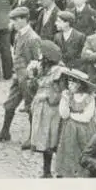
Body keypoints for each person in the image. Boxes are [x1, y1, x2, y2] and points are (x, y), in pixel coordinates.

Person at [0, 6, 41, 148]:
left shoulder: (33, 38)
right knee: (9, 105)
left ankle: (33, 138)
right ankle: (5, 132)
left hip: (28, 79)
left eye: (16, 20)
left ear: (24, 20)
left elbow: (37, 61)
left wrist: (31, 79)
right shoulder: (18, 35)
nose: (13, 23)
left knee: (31, 108)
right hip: (18, 77)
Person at [28, 40, 66, 178]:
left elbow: (63, 92)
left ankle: (60, 170)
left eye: (41, 53)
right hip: (41, 109)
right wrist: (32, 77)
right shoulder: (41, 68)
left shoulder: (60, 72)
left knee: (53, 139)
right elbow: (33, 89)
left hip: (53, 111)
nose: (38, 55)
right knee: (44, 140)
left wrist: (48, 96)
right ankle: (46, 171)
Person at [56, 68, 96, 178]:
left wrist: (72, 116)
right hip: (70, 130)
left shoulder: (89, 98)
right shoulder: (67, 95)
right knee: (70, 151)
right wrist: (66, 101)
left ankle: (85, 173)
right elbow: (63, 115)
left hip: (85, 129)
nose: (70, 85)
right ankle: (70, 173)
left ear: (80, 84)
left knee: (85, 150)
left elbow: (87, 117)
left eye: (73, 82)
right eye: (69, 82)